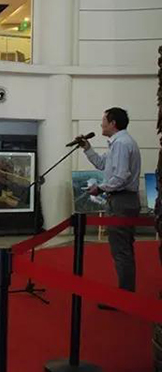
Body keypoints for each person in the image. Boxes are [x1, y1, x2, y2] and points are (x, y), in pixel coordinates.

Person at [77, 107, 141, 308]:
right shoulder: (119, 143)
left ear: (113, 123)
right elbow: (101, 164)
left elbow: (121, 177)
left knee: (121, 250)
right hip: (123, 200)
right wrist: (87, 147)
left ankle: (124, 299)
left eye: (103, 120)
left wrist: (100, 188)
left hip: (122, 201)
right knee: (124, 249)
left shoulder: (121, 143)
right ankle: (126, 294)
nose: (101, 124)